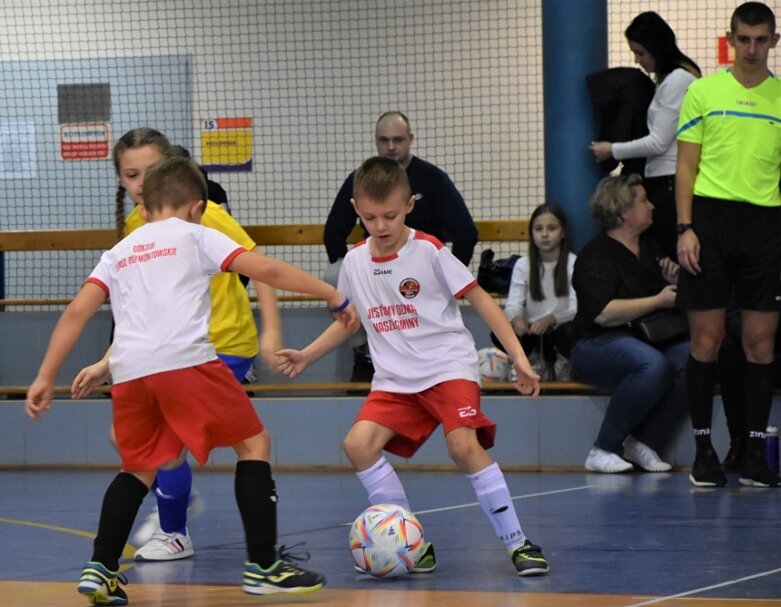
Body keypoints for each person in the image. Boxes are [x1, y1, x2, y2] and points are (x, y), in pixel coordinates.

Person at [25, 156, 359, 603]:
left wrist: (46, 376)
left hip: (130, 374)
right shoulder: (197, 235)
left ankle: (100, 567)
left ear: (144, 209)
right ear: (198, 207)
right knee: (254, 444)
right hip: (186, 365)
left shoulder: (119, 252)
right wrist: (333, 294)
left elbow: (77, 313)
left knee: (139, 468)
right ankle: (263, 566)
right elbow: (266, 271)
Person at [278, 156, 549, 577]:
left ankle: (519, 543)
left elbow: (480, 300)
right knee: (358, 445)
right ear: (355, 208)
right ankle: (414, 544)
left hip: (447, 368)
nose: (381, 225)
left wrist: (518, 357)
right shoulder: (352, 263)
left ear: (409, 205)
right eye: (369, 217)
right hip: (395, 379)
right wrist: (307, 354)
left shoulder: (430, 251)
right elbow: (349, 322)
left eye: (390, 215)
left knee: (462, 446)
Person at [76, 127, 282, 562]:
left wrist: (272, 332)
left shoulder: (200, 215)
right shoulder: (138, 225)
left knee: (165, 447)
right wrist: (105, 361)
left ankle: (174, 529)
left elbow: (259, 261)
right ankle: (176, 520)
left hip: (219, 343)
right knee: (136, 442)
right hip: (169, 352)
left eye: (150, 171)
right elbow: (144, 309)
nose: (140, 183)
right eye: (131, 175)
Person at [675, 1, 781, 488]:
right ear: (730, 40)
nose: (753, 48)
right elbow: (686, 166)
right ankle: (703, 454)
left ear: (773, 42)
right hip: (710, 223)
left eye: (762, 39)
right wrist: (684, 228)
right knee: (707, 341)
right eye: (745, 39)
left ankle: (756, 456)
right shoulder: (703, 91)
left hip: (765, 227)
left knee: (760, 345)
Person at [323, 111, 478, 382]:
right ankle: (365, 353)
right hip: (377, 267)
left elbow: (466, 232)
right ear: (376, 142)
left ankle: (424, 349)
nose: (391, 147)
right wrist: (354, 268)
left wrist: (447, 276)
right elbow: (333, 232)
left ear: (410, 140)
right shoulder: (359, 180)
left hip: (418, 269)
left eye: (397, 140)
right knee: (333, 275)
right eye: (384, 140)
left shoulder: (432, 179)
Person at [569, 174, 689, 474]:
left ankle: (644, 442)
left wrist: (676, 281)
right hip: (595, 344)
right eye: (643, 200)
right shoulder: (593, 256)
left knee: (693, 357)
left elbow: (672, 295)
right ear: (623, 212)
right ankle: (603, 448)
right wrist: (659, 300)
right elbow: (604, 314)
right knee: (652, 365)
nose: (651, 206)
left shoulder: (651, 248)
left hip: (645, 340)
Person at [589, 11, 701, 260]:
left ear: (656, 48)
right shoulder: (675, 78)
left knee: (669, 257)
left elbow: (659, 142)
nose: (638, 60)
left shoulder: (677, 81)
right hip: (664, 180)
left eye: (640, 53)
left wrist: (612, 149)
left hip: (668, 182)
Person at [490, 202, 576, 381]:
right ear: (532, 233)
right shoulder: (523, 265)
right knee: (500, 331)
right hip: (532, 332)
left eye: (551, 228)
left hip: (559, 332)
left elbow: (576, 309)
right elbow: (513, 304)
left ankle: (562, 363)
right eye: (538, 229)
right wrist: (516, 319)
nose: (544, 234)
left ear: (563, 232)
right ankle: (529, 361)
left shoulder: (573, 263)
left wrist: (551, 318)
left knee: (567, 333)